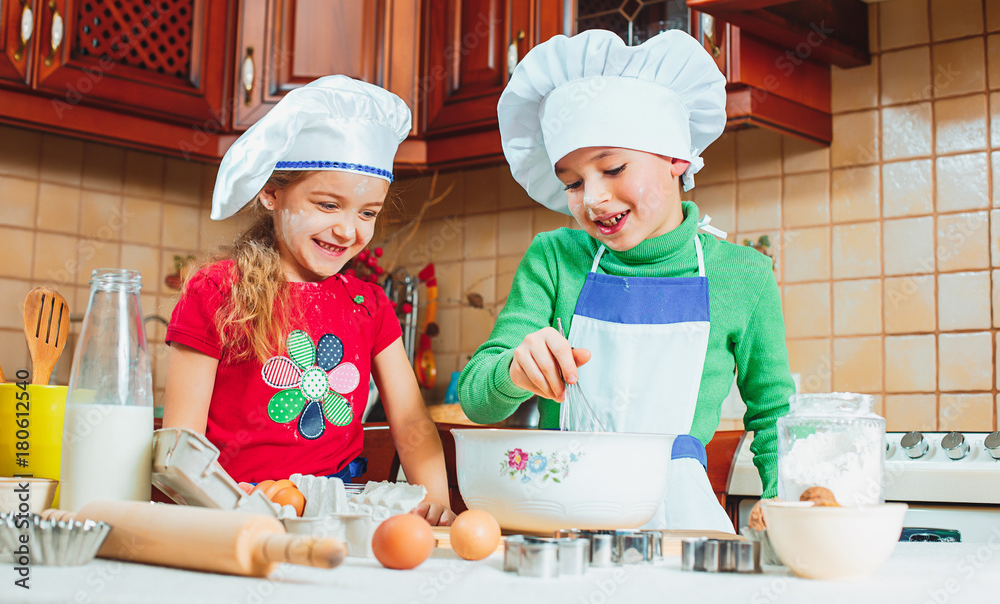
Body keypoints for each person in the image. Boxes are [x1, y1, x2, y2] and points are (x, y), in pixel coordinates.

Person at [458, 29, 794, 532]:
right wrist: (515, 372)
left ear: (676, 156)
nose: (591, 198)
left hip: (680, 525)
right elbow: (476, 398)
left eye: (612, 168)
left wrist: (784, 500)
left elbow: (774, 415)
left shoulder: (742, 275)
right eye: (571, 182)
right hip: (561, 521)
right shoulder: (555, 258)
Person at [163, 75, 455, 525]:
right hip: (232, 514)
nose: (348, 229)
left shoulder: (369, 305)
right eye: (327, 205)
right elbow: (181, 441)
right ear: (272, 193)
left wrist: (437, 501)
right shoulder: (218, 291)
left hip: (335, 516)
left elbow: (413, 424)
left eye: (368, 213)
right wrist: (224, 507)